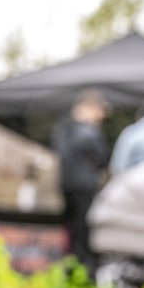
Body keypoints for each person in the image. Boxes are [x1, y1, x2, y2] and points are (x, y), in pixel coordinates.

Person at [52, 89, 110, 274]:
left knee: (71, 232)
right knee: (85, 233)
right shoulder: (89, 132)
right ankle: (86, 273)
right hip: (85, 189)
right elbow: (102, 158)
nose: (101, 116)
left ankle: (71, 270)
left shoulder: (62, 129)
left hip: (66, 186)